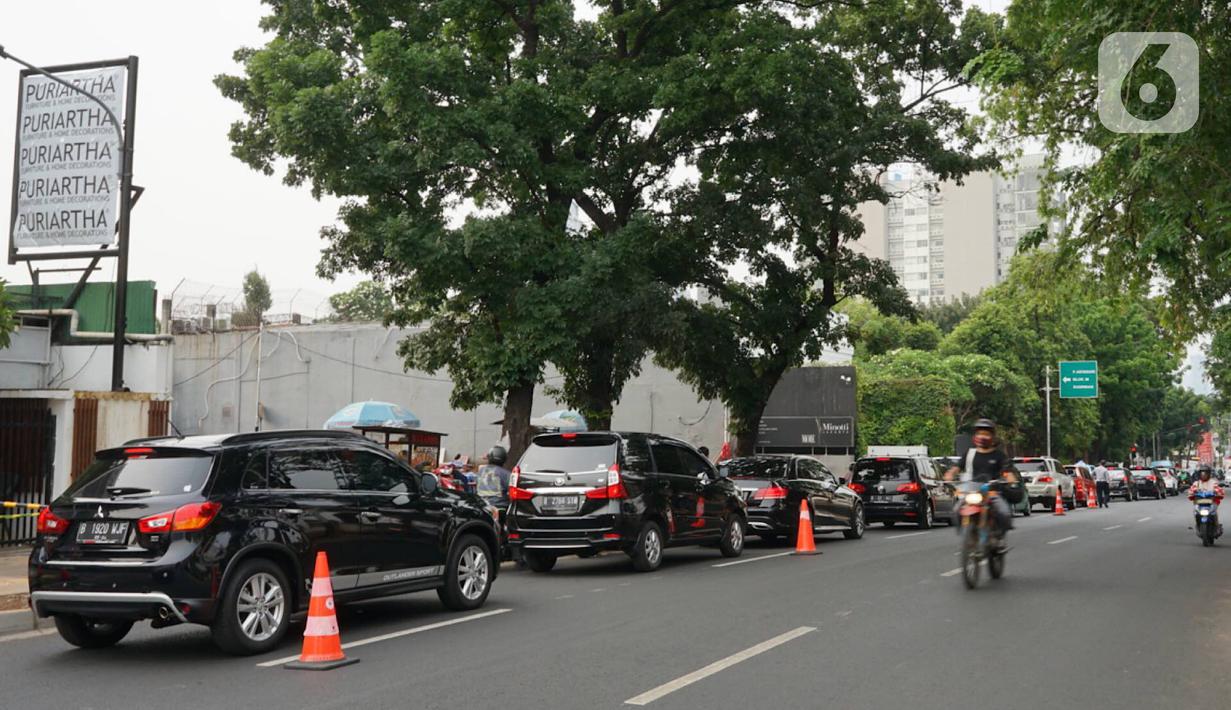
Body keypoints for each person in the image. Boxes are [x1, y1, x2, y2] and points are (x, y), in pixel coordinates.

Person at [945, 419, 1020, 545]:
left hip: (992, 493)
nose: (982, 437)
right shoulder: (969, 454)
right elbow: (956, 468)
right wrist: (949, 475)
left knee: (1004, 513)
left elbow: (1008, 472)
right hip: (971, 492)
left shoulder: (999, 455)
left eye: (986, 434)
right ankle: (967, 536)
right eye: (980, 433)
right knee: (956, 511)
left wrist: (1010, 480)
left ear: (992, 436)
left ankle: (999, 538)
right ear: (975, 436)